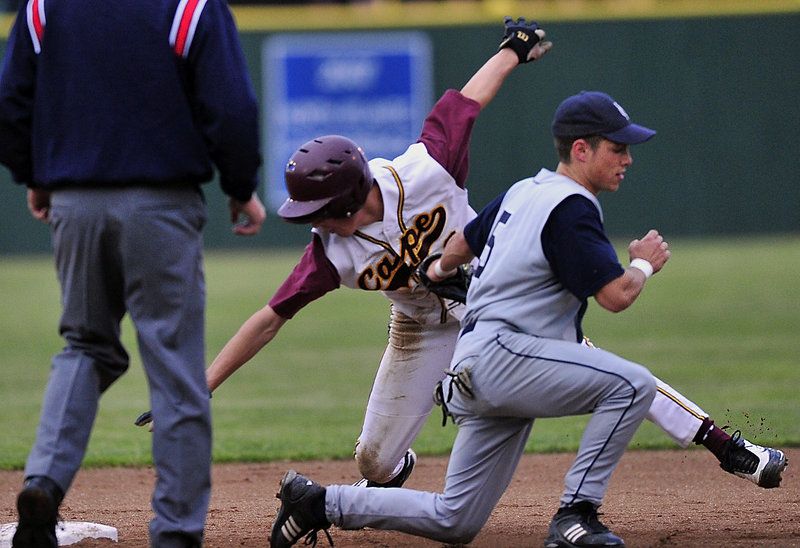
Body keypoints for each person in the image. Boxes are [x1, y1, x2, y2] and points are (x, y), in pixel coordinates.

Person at [266, 90, 785, 548]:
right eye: (617, 147)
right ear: (581, 149)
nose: (627, 158)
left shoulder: (521, 190)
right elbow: (616, 296)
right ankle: (581, 513)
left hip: (480, 353)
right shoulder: (571, 208)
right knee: (627, 382)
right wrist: (645, 261)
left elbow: (463, 239)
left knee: (457, 519)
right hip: (499, 346)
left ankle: (321, 503)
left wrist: (442, 268)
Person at [174, 16, 552, 492]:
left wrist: (514, 50)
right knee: (373, 464)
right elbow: (270, 318)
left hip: (500, 301)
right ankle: (392, 486)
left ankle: (675, 421)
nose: (313, 221)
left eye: (319, 210)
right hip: (419, 327)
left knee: (597, 375)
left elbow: (467, 100)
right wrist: (203, 385)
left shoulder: (426, 169)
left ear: (350, 198)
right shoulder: (330, 253)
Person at [0, 0, 266, 546]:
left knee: (85, 347)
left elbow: (9, 105)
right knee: (174, 368)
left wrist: (37, 172)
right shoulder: (191, 6)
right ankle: (176, 533)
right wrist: (240, 186)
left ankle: (44, 483)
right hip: (159, 207)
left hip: (74, 205)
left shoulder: (43, 7)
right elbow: (232, 109)